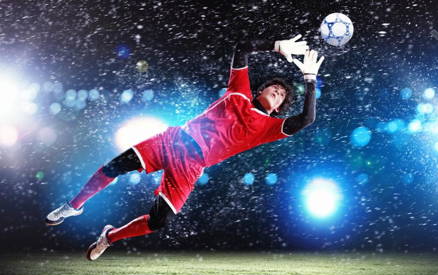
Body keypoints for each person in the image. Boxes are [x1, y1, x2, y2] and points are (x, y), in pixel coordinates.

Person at [45, 34, 324, 260]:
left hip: (192, 165)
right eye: (274, 88)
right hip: (174, 140)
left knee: (158, 222)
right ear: (260, 90)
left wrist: (309, 80)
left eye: (282, 96)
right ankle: (73, 206)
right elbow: (242, 47)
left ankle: (109, 237)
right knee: (114, 167)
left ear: (278, 108)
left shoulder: (269, 128)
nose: (278, 92)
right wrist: (275, 46)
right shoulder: (238, 90)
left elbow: (307, 118)